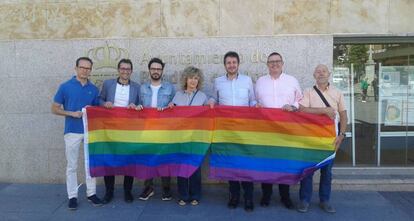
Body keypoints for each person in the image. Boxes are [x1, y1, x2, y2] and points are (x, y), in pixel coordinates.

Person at [51, 57, 103, 210]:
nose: (85, 70)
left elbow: (96, 109)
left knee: (90, 164)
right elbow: (54, 108)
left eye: (88, 68)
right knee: (72, 165)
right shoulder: (65, 87)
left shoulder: (93, 89)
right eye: (82, 67)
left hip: (89, 132)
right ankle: (72, 196)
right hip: (72, 131)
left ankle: (91, 194)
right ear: (76, 68)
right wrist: (71, 113)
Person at [207, 51, 257, 212]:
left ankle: (248, 198)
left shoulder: (247, 80)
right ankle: (234, 196)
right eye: (228, 62)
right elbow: (214, 98)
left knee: (246, 164)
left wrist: (256, 105)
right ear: (225, 65)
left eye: (234, 62)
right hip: (226, 129)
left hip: (245, 130)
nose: (231, 65)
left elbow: (252, 100)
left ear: (238, 64)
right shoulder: (218, 82)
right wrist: (211, 101)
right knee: (231, 164)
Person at [297, 64, 348, 213]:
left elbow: (343, 116)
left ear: (329, 74)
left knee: (327, 172)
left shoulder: (337, 93)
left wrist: (342, 135)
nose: (321, 74)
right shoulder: (308, 92)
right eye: (318, 71)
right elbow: (302, 110)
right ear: (314, 75)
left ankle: (325, 200)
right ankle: (304, 200)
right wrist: (324, 111)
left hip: (330, 139)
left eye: (323, 71)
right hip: (310, 139)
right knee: (308, 171)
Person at [255, 52, 302, 209]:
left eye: (277, 61)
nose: (274, 64)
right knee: (266, 163)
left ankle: (285, 196)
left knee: (284, 162)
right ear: (267, 64)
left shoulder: (292, 80)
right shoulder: (260, 81)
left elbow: (299, 100)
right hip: (266, 129)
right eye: (271, 62)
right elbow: (255, 101)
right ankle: (266, 195)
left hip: (285, 129)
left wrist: (293, 106)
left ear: (282, 63)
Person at [98, 58, 140, 204]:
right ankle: (109, 192)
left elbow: (140, 105)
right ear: (118, 70)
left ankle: (127, 192)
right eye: (122, 68)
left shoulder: (136, 87)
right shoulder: (108, 84)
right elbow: (99, 100)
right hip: (110, 129)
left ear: (131, 71)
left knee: (129, 160)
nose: (125, 71)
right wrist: (105, 103)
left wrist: (136, 105)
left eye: (128, 69)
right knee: (109, 161)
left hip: (128, 130)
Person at [167, 66, 208, 206]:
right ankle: (183, 195)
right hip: (181, 137)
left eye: (196, 78)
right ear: (185, 79)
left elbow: (207, 116)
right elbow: (172, 115)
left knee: (195, 167)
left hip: (196, 138)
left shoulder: (202, 97)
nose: (193, 81)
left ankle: (195, 195)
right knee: (181, 167)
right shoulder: (178, 95)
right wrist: (171, 106)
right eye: (191, 77)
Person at [137, 57, 176, 201]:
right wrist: (137, 107)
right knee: (147, 159)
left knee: (164, 159)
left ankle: (166, 188)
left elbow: (175, 105)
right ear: (149, 70)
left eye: (158, 69)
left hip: (164, 129)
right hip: (146, 129)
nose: (155, 71)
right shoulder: (142, 88)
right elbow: (137, 105)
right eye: (153, 69)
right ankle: (148, 188)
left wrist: (172, 106)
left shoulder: (169, 88)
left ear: (162, 71)